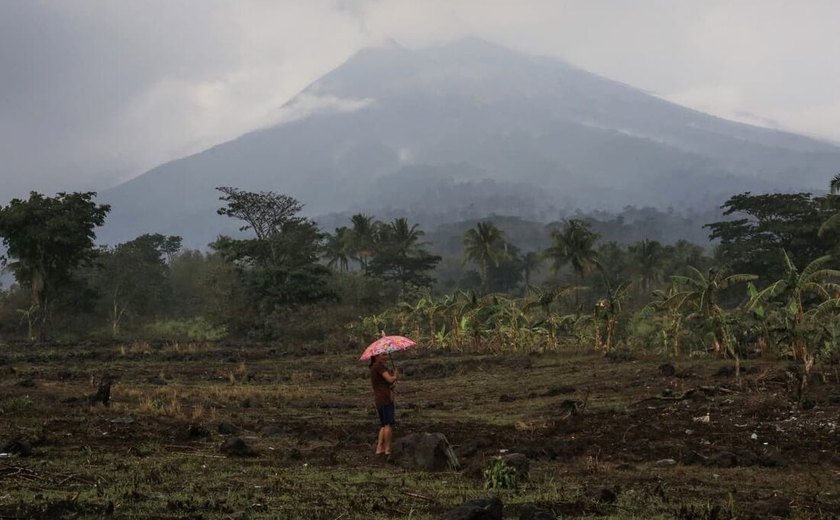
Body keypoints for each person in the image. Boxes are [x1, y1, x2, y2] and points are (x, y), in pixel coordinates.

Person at [369, 352, 398, 457]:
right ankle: (387, 449)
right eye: (383, 355)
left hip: (380, 399)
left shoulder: (374, 367)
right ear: (376, 357)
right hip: (385, 399)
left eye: (386, 355)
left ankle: (379, 448)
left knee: (383, 424)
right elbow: (389, 379)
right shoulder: (379, 367)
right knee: (388, 424)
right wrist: (395, 376)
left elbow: (385, 383)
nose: (386, 357)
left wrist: (390, 384)